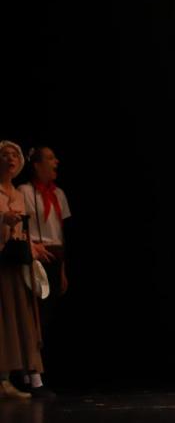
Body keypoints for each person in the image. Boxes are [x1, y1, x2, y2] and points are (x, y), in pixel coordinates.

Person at [0, 140, 52, 399]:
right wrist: (2, 219)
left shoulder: (18, 195)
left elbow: (22, 229)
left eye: (14, 154)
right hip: (1, 261)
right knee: (4, 318)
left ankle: (27, 376)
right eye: (5, 154)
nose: (10, 158)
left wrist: (33, 246)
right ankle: (3, 379)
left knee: (22, 316)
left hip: (16, 261)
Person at [19, 146, 72, 337]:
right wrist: (32, 249)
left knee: (53, 314)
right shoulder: (25, 191)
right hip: (38, 256)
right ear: (37, 165)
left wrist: (63, 269)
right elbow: (20, 229)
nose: (56, 161)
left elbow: (60, 233)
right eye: (50, 158)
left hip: (56, 257)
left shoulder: (59, 194)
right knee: (38, 313)